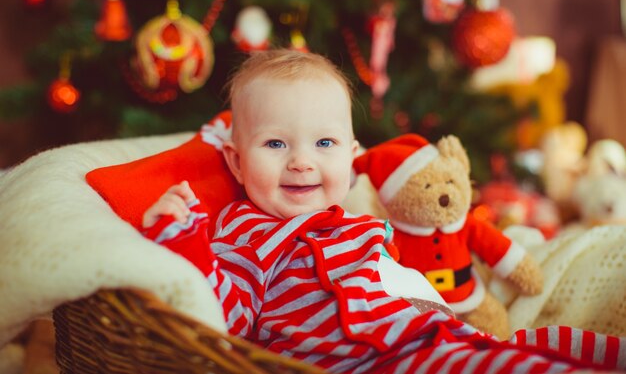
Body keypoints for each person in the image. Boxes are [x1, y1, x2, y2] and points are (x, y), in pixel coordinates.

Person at [142, 49, 625, 374]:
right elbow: (228, 313)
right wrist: (184, 236)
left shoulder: (359, 222)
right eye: (274, 143)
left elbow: (402, 276)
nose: (302, 161)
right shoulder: (243, 231)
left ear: (352, 156)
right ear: (236, 161)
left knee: (549, 344)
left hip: (428, 329)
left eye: (324, 142)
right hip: (370, 360)